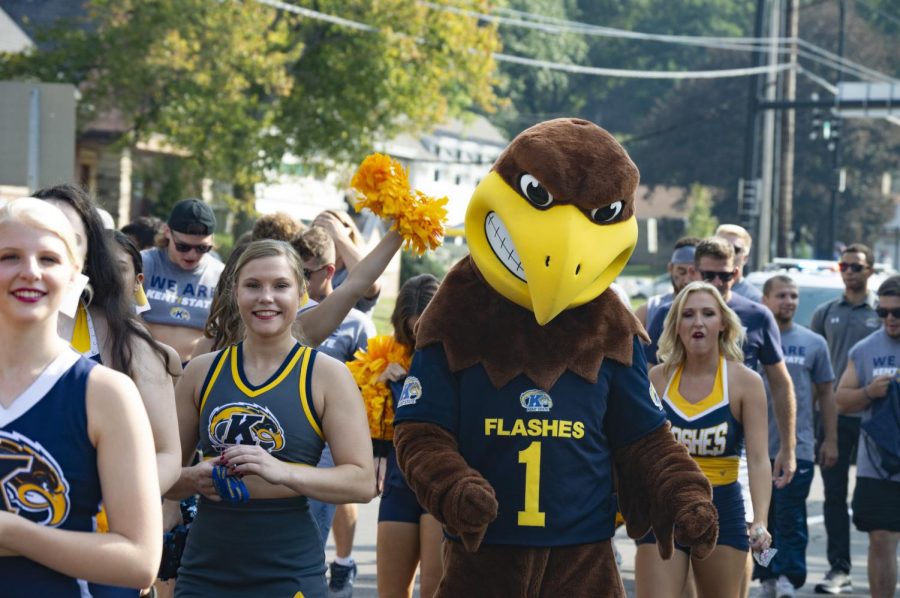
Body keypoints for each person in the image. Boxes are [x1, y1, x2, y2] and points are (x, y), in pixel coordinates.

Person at [166, 239, 375, 597]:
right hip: (206, 569)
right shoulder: (201, 372)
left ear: (301, 292)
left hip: (290, 570)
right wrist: (191, 477)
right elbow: (160, 476)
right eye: (253, 285)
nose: (266, 297)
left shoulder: (326, 375)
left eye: (280, 286)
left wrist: (284, 472)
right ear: (235, 292)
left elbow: (361, 482)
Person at [0, 197, 161, 594]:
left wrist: (12, 532)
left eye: (49, 259)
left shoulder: (105, 393)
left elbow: (140, 561)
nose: (30, 272)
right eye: (9, 256)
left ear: (75, 277)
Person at [32, 184, 182, 495]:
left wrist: (111, 509)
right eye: (39, 229)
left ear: (86, 255)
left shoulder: (125, 339)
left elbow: (166, 453)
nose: (49, 246)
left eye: (67, 237)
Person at [636, 281, 772, 598]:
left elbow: (758, 458)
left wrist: (761, 520)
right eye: (688, 314)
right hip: (663, 504)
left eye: (708, 314)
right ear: (676, 325)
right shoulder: (657, 378)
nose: (698, 322)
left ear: (723, 323)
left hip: (722, 505)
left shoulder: (746, 382)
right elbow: (638, 449)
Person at [646, 238, 797, 488]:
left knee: (746, 522)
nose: (717, 282)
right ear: (695, 272)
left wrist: (788, 447)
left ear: (736, 273)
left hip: (735, 448)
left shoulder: (758, 316)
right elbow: (649, 379)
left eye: (724, 276)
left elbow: (781, 384)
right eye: (709, 275)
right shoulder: (668, 313)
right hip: (677, 447)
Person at [294, 226, 375, 597]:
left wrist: (376, 451)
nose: (297, 280)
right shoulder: (284, 316)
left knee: (311, 535)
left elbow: (373, 392)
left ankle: (332, 569)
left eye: (305, 273)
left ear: (328, 273)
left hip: (329, 446)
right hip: (286, 437)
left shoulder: (356, 324)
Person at [756, 275, 838, 598]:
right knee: (763, 521)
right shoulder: (752, 339)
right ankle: (768, 577)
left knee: (790, 519)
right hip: (758, 449)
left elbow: (827, 395)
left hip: (796, 448)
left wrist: (830, 439)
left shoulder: (814, 343)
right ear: (765, 300)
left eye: (793, 296)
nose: (788, 301)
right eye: (781, 295)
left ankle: (789, 576)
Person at [809, 242, 880, 594]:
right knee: (834, 495)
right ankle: (840, 568)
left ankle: (882, 563)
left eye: (856, 266)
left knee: (878, 496)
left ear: (870, 270)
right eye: (844, 266)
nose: (849, 272)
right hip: (833, 417)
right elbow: (814, 371)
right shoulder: (825, 313)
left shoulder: (883, 313)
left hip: (875, 418)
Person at [374, 274, 442, 598]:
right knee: (390, 592)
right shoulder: (389, 359)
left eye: (424, 328)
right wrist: (379, 383)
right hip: (399, 484)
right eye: (411, 330)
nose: (418, 337)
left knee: (433, 589)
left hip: (442, 482)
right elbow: (374, 422)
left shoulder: (466, 358)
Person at [835, 275, 900, 598]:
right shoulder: (865, 350)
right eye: (883, 312)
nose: (889, 319)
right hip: (879, 463)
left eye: (897, 313)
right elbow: (841, 399)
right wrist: (869, 391)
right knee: (881, 538)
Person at [141, 198, 225, 362]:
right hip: (147, 362)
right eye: (183, 246)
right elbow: (125, 318)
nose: (191, 255)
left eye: (202, 248)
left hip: (196, 370)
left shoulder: (220, 274)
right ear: (167, 232)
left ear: (212, 240)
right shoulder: (144, 264)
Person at [313, 209, 381, 317]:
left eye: (330, 234)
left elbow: (370, 287)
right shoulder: (312, 271)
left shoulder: (354, 270)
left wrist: (339, 237)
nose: (323, 243)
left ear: (347, 235)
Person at [635, 236, 700, 328]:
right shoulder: (650, 310)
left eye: (693, 271)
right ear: (670, 268)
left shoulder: (713, 310)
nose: (687, 279)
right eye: (681, 271)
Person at [716, 224, 762, 303]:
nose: (727, 254)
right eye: (722, 248)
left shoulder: (754, 300)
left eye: (735, 249)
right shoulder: (698, 293)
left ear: (745, 258)